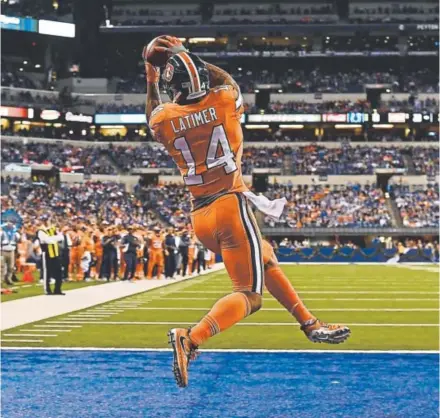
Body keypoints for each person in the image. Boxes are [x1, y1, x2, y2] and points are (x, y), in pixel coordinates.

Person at [144, 37, 350, 388]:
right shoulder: (223, 101)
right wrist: (187, 57)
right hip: (229, 205)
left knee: (265, 259)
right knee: (250, 295)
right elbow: (226, 82)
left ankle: (309, 323)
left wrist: (152, 74)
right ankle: (191, 338)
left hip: (201, 216)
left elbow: (152, 111)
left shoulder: (164, 119)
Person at [35, 217, 64, 295]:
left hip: (55, 252)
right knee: (47, 272)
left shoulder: (53, 229)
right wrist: (55, 238)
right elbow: (47, 241)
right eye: (45, 220)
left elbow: (61, 237)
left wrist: (53, 238)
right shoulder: (41, 231)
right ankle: (47, 290)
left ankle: (57, 289)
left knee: (59, 271)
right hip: (46, 253)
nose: (47, 222)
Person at [1, 221, 21, 285]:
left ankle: (8, 279)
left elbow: (18, 240)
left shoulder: (15, 234)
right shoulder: (2, 233)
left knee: (11, 267)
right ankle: (1, 280)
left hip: (12, 251)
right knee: (2, 266)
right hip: (2, 251)